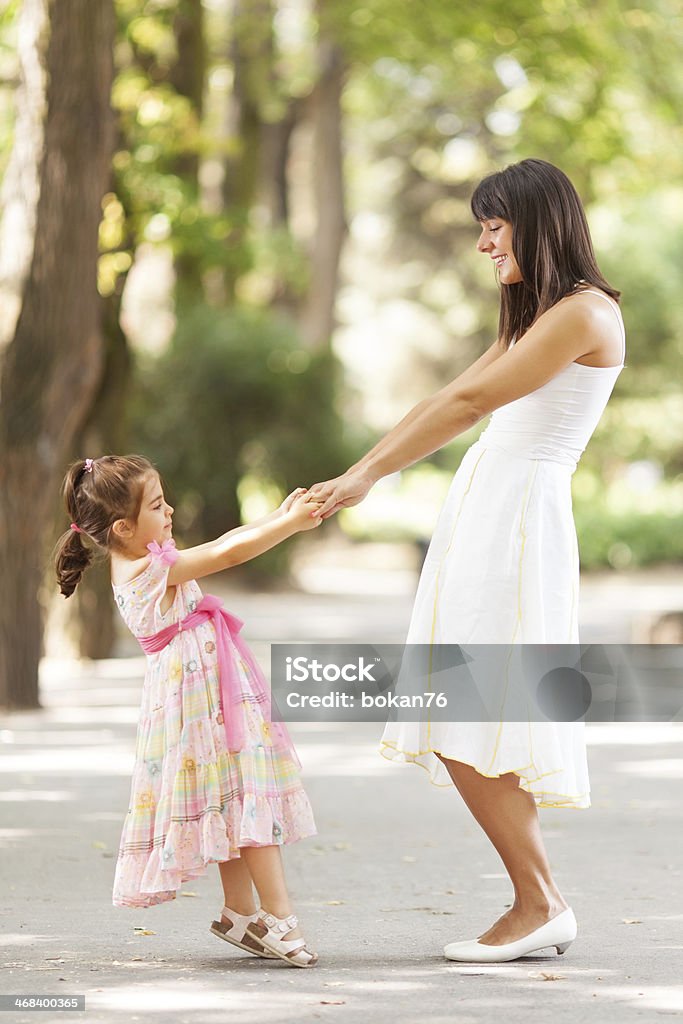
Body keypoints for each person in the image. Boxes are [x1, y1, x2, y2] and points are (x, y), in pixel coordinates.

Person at [308, 158, 626, 963]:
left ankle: (538, 901)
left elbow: (467, 406)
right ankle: (538, 900)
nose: (485, 244)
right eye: (480, 229)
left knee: (463, 706)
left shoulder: (583, 313)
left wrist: (366, 478)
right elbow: (443, 398)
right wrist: (353, 476)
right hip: (488, 514)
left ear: (538, 221)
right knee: (460, 705)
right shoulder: (534, 316)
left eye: (495, 225)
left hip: (516, 523)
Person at [54, 455, 324, 968]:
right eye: (158, 505)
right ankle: (278, 914)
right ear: (123, 527)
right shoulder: (148, 569)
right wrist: (289, 525)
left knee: (230, 796)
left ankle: (241, 912)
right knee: (245, 794)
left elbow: (223, 543)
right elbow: (225, 552)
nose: (170, 510)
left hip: (202, 697)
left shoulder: (144, 556)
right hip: (196, 702)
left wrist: (277, 515)